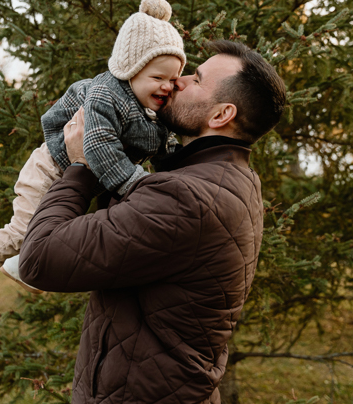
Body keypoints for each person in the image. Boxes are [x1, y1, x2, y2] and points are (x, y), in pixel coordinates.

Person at [19, 40, 287, 403]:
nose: (178, 81)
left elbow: (39, 260)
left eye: (196, 78)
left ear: (221, 115)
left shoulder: (187, 198)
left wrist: (81, 164)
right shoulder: (232, 179)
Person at [0, 0, 186, 312]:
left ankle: (20, 265)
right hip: (48, 168)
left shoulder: (151, 112)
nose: (167, 87)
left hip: (74, 179)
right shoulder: (107, 96)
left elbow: (163, 145)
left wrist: (174, 166)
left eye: (173, 79)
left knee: (57, 229)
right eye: (158, 78)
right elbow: (99, 147)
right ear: (129, 69)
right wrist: (135, 184)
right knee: (25, 228)